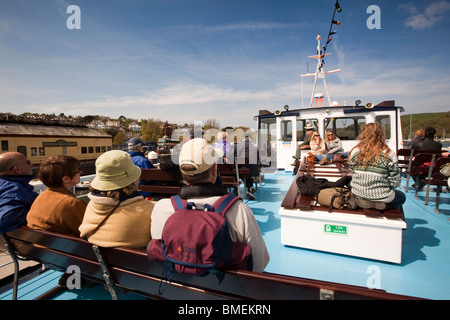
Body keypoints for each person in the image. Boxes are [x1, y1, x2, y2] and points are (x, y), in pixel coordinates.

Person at [150, 138, 270, 272]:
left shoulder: (161, 208)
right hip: (226, 291)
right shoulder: (238, 211)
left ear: (183, 173)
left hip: (173, 288)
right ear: (214, 171)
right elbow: (259, 264)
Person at [79, 150, 153, 249]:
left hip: (96, 261)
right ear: (134, 180)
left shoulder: (91, 206)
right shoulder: (148, 212)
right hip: (135, 263)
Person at [348, 123, 406, 210]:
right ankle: (384, 205)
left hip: (359, 193)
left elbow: (351, 169)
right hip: (381, 195)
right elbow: (395, 181)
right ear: (381, 135)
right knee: (401, 196)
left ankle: (366, 201)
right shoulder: (389, 154)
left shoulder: (355, 152)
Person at [27, 156, 86, 237]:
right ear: (65, 179)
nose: (81, 172)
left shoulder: (41, 197)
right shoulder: (71, 203)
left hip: (43, 246)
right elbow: (88, 231)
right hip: (70, 248)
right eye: (78, 170)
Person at [0, 152, 38, 233]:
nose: (31, 164)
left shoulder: (5, 185)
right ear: (17, 169)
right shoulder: (14, 189)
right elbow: (5, 220)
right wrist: (39, 215)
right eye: (27, 162)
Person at [236, 134, 260, 200]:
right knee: (248, 173)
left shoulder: (239, 146)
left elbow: (234, 155)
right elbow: (258, 159)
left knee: (239, 172)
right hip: (254, 170)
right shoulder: (255, 146)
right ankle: (250, 187)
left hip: (243, 170)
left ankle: (237, 190)